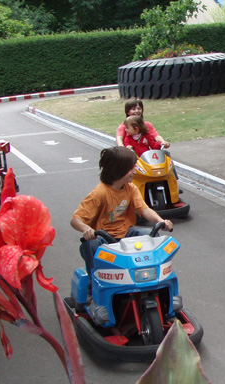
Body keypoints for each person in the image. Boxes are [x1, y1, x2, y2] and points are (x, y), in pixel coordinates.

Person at [71, 146, 173, 282]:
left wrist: (161, 221)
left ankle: (151, 277)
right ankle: (93, 283)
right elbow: (76, 219)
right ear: (119, 170)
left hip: (126, 233)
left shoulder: (130, 188)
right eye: (131, 169)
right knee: (90, 245)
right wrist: (87, 229)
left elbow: (144, 209)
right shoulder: (100, 193)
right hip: (105, 238)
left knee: (151, 237)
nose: (134, 172)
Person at [115, 98, 179, 180]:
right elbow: (119, 137)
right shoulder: (125, 126)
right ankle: (123, 182)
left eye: (139, 108)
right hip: (133, 155)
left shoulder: (147, 125)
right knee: (122, 160)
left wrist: (162, 142)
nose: (136, 111)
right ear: (128, 112)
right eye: (133, 109)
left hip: (147, 156)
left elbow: (155, 137)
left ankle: (172, 179)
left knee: (166, 153)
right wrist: (122, 146)